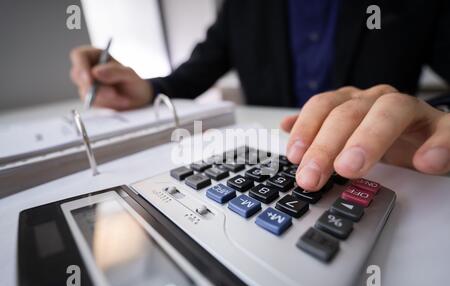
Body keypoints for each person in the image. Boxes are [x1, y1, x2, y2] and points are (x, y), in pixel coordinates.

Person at [70, 0, 450, 191]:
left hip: (396, 169)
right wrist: (147, 89)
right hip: (272, 151)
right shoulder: (240, 5)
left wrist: (438, 118)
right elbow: (189, 77)